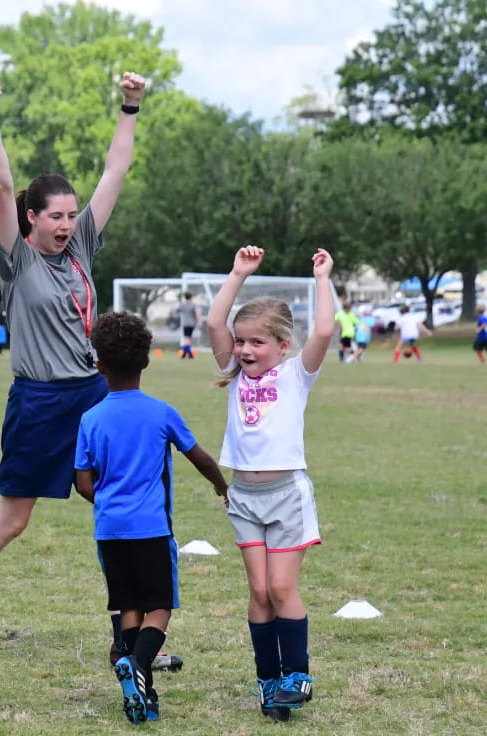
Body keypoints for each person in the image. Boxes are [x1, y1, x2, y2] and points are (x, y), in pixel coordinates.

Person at [0, 72, 148, 663]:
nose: (68, 224)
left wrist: (130, 106)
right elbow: (0, 183)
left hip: (97, 395)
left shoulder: (83, 248)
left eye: (73, 215)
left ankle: (134, 635)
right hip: (41, 401)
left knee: (120, 504)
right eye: (56, 216)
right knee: (13, 520)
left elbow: (115, 170)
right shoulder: (17, 261)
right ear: (31, 219)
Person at [74, 312, 227, 724]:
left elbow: (83, 482)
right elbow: (200, 457)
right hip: (152, 529)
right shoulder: (161, 412)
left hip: (109, 530)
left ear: (99, 364)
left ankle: (143, 693)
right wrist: (221, 486)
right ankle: (139, 665)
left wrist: (107, 502)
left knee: (128, 605)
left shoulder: (90, 419)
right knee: (159, 606)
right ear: (145, 361)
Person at [206, 245, 335, 722]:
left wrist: (322, 279)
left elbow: (323, 329)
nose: (244, 350)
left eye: (257, 343)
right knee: (259, 593)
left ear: (282, 345)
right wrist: (239, 273)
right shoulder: (235, 374)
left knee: (282, 588)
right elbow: (216, 324)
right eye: (242, 342)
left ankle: (296, 675)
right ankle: (268, 681)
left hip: (286, 497)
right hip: (244, 497)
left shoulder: (296, 375)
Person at [177, 292, 201, 359]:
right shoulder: (193, 305)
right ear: (191, 297)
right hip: (191, 324)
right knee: (187, 339)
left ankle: (185, 354)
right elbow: (197, 313)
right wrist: (199, 321)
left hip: (185, 324)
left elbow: (177, 310)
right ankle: (188, 354)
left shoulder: (183, 305)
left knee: (187, 339)